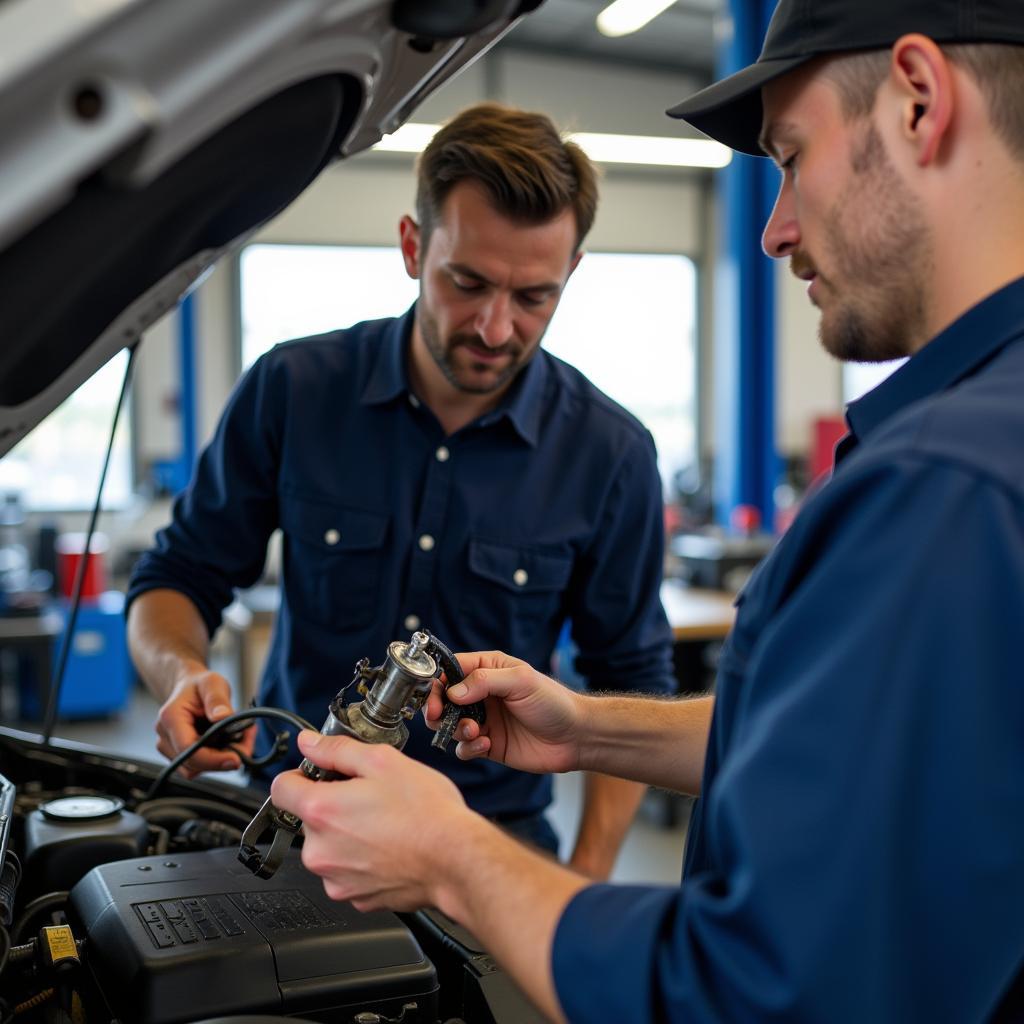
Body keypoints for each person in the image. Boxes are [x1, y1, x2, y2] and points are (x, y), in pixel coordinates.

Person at [268, 1, 1024, 1020]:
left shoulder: (944, 489)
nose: (772, 229)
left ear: (919, 101)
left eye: (791, 157)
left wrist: (450, 853)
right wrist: (584, 728)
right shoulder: (980, 444)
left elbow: (752, 993)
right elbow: (879, 755)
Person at [126, 102, 676, 879]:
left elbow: (633, 685)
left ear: (572, 272)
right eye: (468, 282)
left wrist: (581, 888)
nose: (494, 328)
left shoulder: (610, 453)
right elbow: (177, 577)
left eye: (533, 298)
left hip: (491, 850)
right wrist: (182, 675)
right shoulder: (292, 390)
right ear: (414, 247)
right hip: (290, 824)